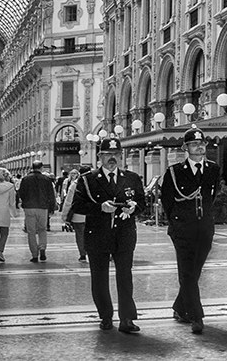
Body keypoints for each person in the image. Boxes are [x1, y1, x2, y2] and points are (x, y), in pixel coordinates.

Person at [72, 138, 146, 333]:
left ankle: (127, 319)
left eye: (115, 154)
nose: (111, 158)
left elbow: (141, 202)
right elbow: (77, 206)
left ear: (120, 156)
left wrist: (134, 208)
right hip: (97, 234)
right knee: (99, 278)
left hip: (124, 234)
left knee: (125, 277)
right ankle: (105, 316)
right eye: (107, 155)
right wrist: (99, 208)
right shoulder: (88, 179)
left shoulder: (131, 178)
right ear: (100, 157)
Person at [161, 127, 221, 334]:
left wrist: (203, 218)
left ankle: (179, 307)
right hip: (182, 228)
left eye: (201, 143)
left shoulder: (213, 169)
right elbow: (167, 200)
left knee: (194, 272)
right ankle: (196, 316)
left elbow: (212, 197)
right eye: (194, 144)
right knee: (187, 272)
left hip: (204, 228)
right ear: (185, 148)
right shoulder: (174, 172)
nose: (199, 146)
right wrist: (178, 221)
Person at [17, 160, 56, 262]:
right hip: (43, 208)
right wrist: (51, 207)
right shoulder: (47, 179)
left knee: (31, 232)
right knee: (42, 229)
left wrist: (24, 203)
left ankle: (34, 255)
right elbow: (51, 194)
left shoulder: (25, 179)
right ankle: (42, 248)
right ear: (41, 168)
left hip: (29, 208)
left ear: (32, 167)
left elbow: (21, 193)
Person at [60, 167, 88, 262]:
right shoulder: (97, 183)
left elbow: (68, 201)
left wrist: (64, 216)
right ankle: (93, 253)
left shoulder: (74, 185)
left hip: (78, 215)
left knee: (80, 235)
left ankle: (83, 254)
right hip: (93, 215)